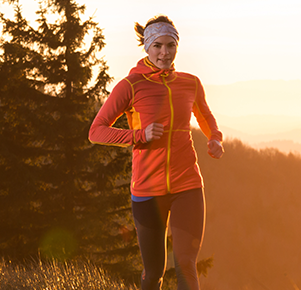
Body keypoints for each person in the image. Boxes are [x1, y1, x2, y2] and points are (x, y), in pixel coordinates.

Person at [88, 15, 223, 290]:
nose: (165, 53)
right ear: (147, 48)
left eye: (170, 45)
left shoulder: (190, 83)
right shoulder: (131, 85)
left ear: (177, 46)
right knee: (154, 274)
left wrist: (215, 139)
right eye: (158, 46)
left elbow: (205, 116)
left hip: (188, 184)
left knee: (186, 264)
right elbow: (97, 131)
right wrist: (139, 136)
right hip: (148, 189)